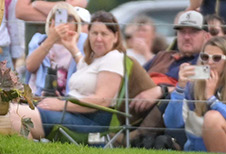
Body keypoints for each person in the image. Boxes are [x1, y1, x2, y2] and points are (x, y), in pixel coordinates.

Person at [7, 10, 132, 139]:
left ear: (116, 36)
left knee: (14, 114)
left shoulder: (113, 58)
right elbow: (83, 67)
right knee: (12, 110)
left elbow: (101, 101)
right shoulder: (96, 59)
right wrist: (72, 46)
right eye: (94, 33)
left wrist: (61, 104)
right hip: (72, 113)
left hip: (88, 122)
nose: (98, 38)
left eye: (104, 34)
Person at [164, 35, 226, 152]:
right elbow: (172, 124)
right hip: (196, 150)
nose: (209, 62)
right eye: (205, 57)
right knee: (211, 118)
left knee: (212, 118)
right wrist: (180, 88)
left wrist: (212, 100)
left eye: (216, 58)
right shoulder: (192, 87)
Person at [25, 2, 88, 97]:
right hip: (39, 96)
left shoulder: (84, 41)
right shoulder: (39, 40)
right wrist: (51, 40)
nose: (64, 22)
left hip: (69, 98)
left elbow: (86, 71)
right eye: (58, 18)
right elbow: (30, 67)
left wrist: (73, 47)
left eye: (69, 18)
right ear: (50, 22)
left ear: (76, 22)